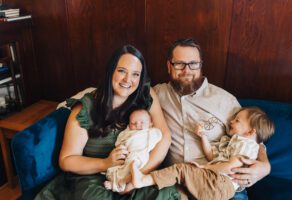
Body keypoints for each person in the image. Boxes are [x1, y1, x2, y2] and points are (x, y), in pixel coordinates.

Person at [35, 45, 180, 200]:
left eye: (135, 74)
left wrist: (137, 178)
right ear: (111, 70)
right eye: (122, 71)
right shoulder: (85, 109)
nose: (128, 80)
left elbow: (164, 137)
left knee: (164, 193)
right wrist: (105, 163)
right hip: (95, 177)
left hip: (137, 170)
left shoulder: (145, 94)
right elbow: (66, 160)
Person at [153, 38, 271, 199]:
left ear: (201, 65)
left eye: (193, 63)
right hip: (178, 184)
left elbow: (253, 136)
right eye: (179, 64)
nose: (187, 70)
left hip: (221, 184)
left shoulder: (225, 100)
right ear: (169, 66)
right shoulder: (158, 94)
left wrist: (265, 166)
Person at [130, 107, 275, 200]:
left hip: (221, 183)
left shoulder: (246, 144)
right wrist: (203, 137)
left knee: (181, 170)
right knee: (180, 185)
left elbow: (232, 166)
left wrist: (204, 168)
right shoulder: (233, 142)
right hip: (217, 184)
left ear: (250, 132)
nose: (231, 121)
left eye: (237, 120)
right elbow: (212, 156)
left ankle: (143, 180)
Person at [104, 109, 162, 192]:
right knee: (118, 169)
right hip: (127, 155)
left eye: (142, 122)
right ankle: (120, 182)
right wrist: (120, 146)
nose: (138, 125)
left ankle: (118, 184)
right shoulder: (128, 132)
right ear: (129, 125)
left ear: (150, 124)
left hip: (140, 154)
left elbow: (159, 135)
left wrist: (154, 132)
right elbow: (120, 140)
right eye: (133, 123)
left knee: (133, 163)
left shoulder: (151, 132)